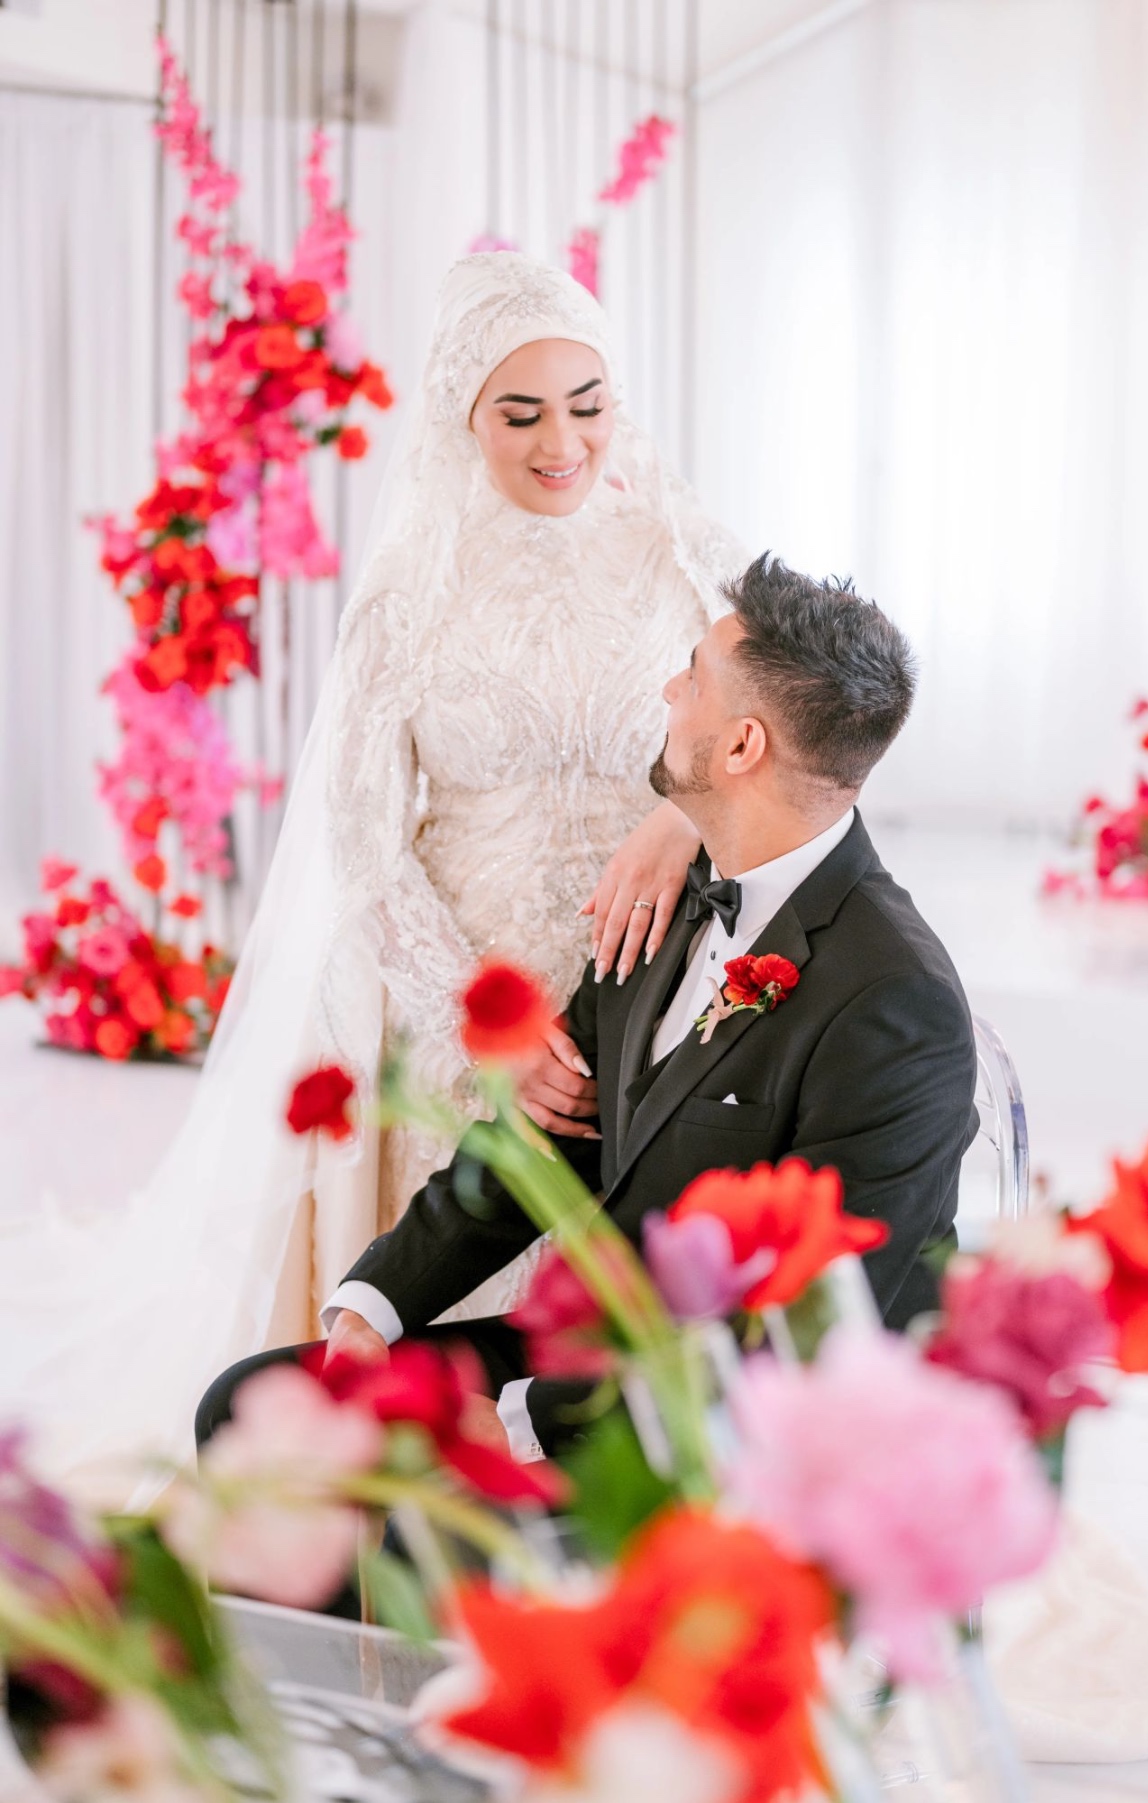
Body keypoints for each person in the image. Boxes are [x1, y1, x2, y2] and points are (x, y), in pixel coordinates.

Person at [0, 253, 743, 1502]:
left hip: (648, 964)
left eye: (589, 402)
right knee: (468, 1246)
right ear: (463, 418)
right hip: (471, 971)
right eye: (522, 414)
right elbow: (361, 837)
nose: (564, 442)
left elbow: (792, 707)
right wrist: (475, 1015)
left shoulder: (679, 545)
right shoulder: (410, 591)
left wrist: (684, 820)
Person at [198, 555, 979, 1463]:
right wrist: (376, 1305)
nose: (666, 689)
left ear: (741, 748)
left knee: (427, 1503)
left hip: (726, 1430)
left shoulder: (897, 1005)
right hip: (585, 1353)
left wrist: (524, 1422)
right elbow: (550, 1133)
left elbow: (802, 1332)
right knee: (252, 1410)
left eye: (691, 678)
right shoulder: (666, 894)